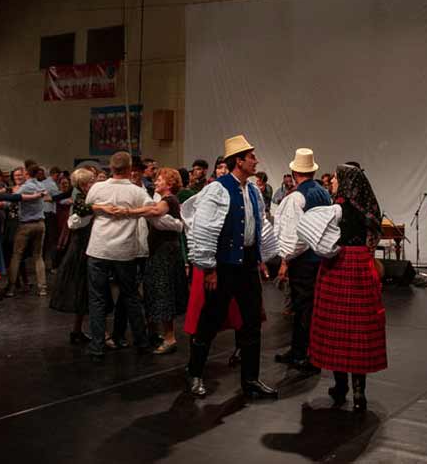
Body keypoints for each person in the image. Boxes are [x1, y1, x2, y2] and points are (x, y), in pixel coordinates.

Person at [186, 134, 275, 399]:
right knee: (210, 320)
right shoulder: (218, 189)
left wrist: (260, 258)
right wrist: (209, 268)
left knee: (252, 322)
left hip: (246, 264)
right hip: (224, 266)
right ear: (239, 161)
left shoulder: (253, 190)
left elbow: (258, 224)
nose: (256, 161)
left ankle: (251, 379)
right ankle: (195, 373)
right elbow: (203, 228)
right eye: (251, 157)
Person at [303, 164, 387, 412]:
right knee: (359, 329)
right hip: (361, 265)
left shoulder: (338, 208)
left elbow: (323, 240)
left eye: (336, 178)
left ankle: (341, 387)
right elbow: (373, 238)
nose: (333, 181)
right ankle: (359, 393)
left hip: (338, 265)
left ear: (346, 182)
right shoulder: (367, 208)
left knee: (336, 327)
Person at [106, 167, 187, 355]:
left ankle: (169, 338)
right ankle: (157, 333)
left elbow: (155, 210)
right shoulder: (165, 200)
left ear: (169, 184)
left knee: (164, 292)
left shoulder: (169, 200)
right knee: (156, 290)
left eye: (160, 179)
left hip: (165, 253)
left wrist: (127, 211)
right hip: (160, 252)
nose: (156, 182)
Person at [85, 151, 157, 361]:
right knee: (131, 297)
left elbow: (88, 207)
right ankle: (142, 343)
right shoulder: (136, 191)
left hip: (98, 249)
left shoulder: (98, 188)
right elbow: (152, 210)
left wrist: (101, 208)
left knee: (97, 300)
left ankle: (97, 347)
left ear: (111, 167)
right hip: (124, 251)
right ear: (129, 169)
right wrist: (130, 212)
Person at [275, 148, 332, 373]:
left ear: (294, 172)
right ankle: (300, 350)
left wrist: (285, 259)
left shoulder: (297, 197)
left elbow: (295, 236)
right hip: (320, 257)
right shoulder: (323, 193)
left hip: (304, 260)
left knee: (303, 307)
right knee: (310, 307)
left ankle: (303, 354)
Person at [49, 167, 98, 344]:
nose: (94, 183)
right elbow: (80, 214)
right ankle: (82, 331)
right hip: (81, 248)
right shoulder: (81, 200)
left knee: (85, 289)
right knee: (82, 287)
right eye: (91, 181)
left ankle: (78, 330)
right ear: (84, 184)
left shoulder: (86, 199)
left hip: (86, 245)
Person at [6, 164, 48, 297]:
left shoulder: (25, 187)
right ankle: (42, 288)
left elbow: (12, 200)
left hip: (26, 224)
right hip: (40, 223)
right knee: (38, 256)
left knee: (16, 255)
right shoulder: (41, 185)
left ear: (27, 174)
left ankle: (11, 288)